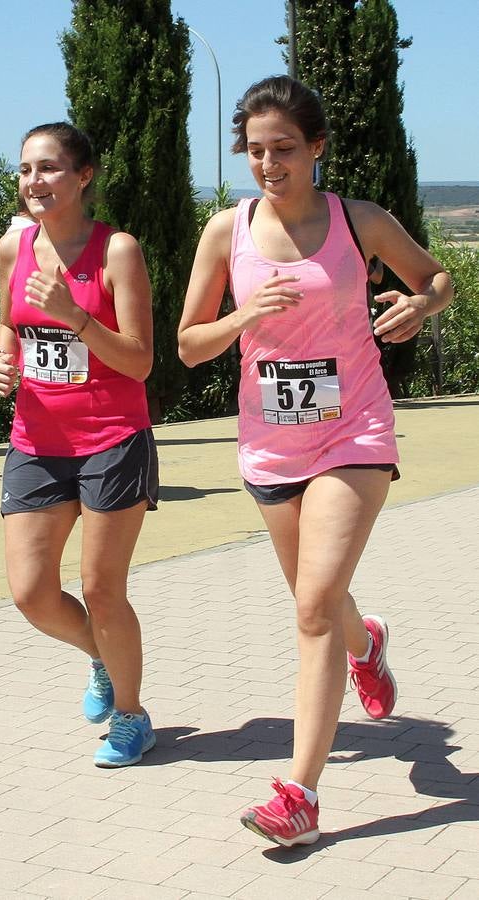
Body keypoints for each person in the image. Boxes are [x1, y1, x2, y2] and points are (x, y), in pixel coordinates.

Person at [178, 75, 453, 847]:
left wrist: (419, 305)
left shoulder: (358, 221)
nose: (270, 164)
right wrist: (243, 314)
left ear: (317, 148)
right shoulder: (222, 233)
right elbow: (188, 348)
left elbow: (439, 279)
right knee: (322, 599)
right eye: (256, 151)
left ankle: (299, 794)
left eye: (286, 149)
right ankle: (367, 645)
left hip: (353, 432)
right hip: (269, 441)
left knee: (308, 604)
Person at [0, 123, 158, 767]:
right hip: (36, 437)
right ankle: (102, 657)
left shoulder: (118, 251)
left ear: (84, 176)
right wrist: (3, 363)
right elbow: (11, 324)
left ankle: (132, 716)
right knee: (31, 591)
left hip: (112, 437)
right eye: (27, 168)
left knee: (101, 586)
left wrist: (77, 316)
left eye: (51, 168)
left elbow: (140, 362)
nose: (35, 181)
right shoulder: (15, 247)